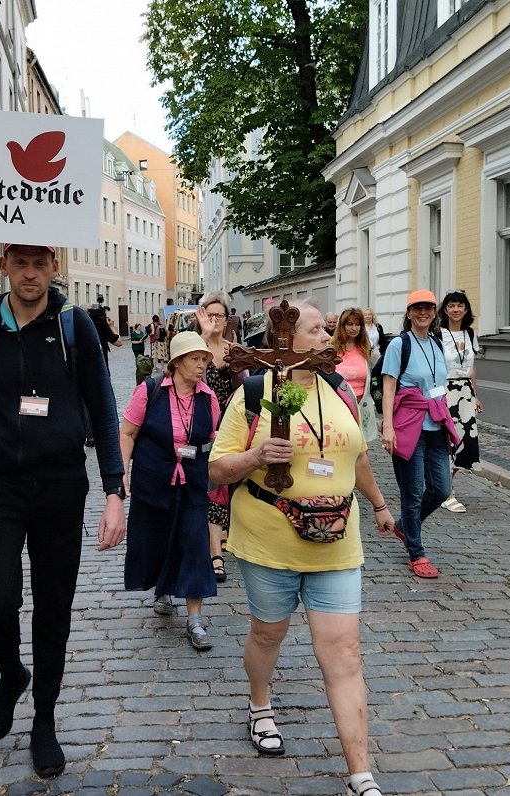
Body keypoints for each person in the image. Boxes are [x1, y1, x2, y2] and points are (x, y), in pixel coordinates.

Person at [0, 243, 126, 778]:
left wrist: (115, 490)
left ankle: (44, 719)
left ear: (53, 267)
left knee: (53, 610)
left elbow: (104, 408)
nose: (29, 273)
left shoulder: (74, 325)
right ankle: (10, 673)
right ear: (3, 266)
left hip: (61, 485)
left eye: (39, 264)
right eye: (19, 263)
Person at [209, 302, 394, 796]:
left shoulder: (339, 390)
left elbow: (357, 458)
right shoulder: (254, 393)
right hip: (271, 539)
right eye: (318, 329)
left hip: (336, 538)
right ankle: (260, 703)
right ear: (289, 337)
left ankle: (361, 775)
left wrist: (378, 504)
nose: (328, 335)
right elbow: (216, 469)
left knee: (345, 651)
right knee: (269, 634)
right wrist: (255, 455)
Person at [119, 331, 219, 650]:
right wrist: (121, 472)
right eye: (195, 359)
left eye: (205, 359)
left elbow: (213, 439)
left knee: (194, 541)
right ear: (176, 362)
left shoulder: (209, 397)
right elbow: (127, 433)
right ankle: (162, 589)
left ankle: (195, 618)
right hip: (154, 477)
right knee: (158, 537)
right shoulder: (150, 391)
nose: (202, 365)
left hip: (193, 482)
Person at [380, 289, 459, 580]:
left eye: (428, 307)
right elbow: (389, 387)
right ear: (409, 312)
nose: (423, 313)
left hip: (435, 426)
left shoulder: (438, 343)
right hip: (408, 427)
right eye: (417, 308)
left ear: (434, 311)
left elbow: (440, 385)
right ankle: (417, 553)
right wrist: (387, 426)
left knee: (441, 490)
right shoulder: (400, 345)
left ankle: (404, 525)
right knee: (412, 493)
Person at [195, 291, 245, 582]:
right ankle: (215, 550)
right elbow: (190, 373)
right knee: (212, 484)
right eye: (209, 315)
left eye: (220, 316)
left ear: (228, 319)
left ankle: (220, 536)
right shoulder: (195, 345)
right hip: (200, 422)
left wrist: (238, 362)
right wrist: (204, 335)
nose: (215, 320)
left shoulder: (231, 349)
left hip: (228, 424)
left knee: (224, 482)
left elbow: (242, 387)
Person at [437, 291, 483, 513]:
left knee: (465, 443)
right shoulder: (439, 334)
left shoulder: (470, 333)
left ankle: (445, 485)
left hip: (465, 391)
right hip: (445, 390)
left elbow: (472, 367)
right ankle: (447, 493)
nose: (455, 309)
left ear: (466, 310)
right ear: (445, 310)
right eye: (451, 305)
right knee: (447, 442)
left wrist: (475, 395)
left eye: (460, 305)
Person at [331, 307, 379, 443]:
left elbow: (377, 370)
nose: (354, 328)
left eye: (358, 324)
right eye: (350, 324)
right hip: (337, 406)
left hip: (360, 406)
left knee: (360, 449)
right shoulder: (332, 348)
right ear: (342, 326)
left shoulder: (366, 348)